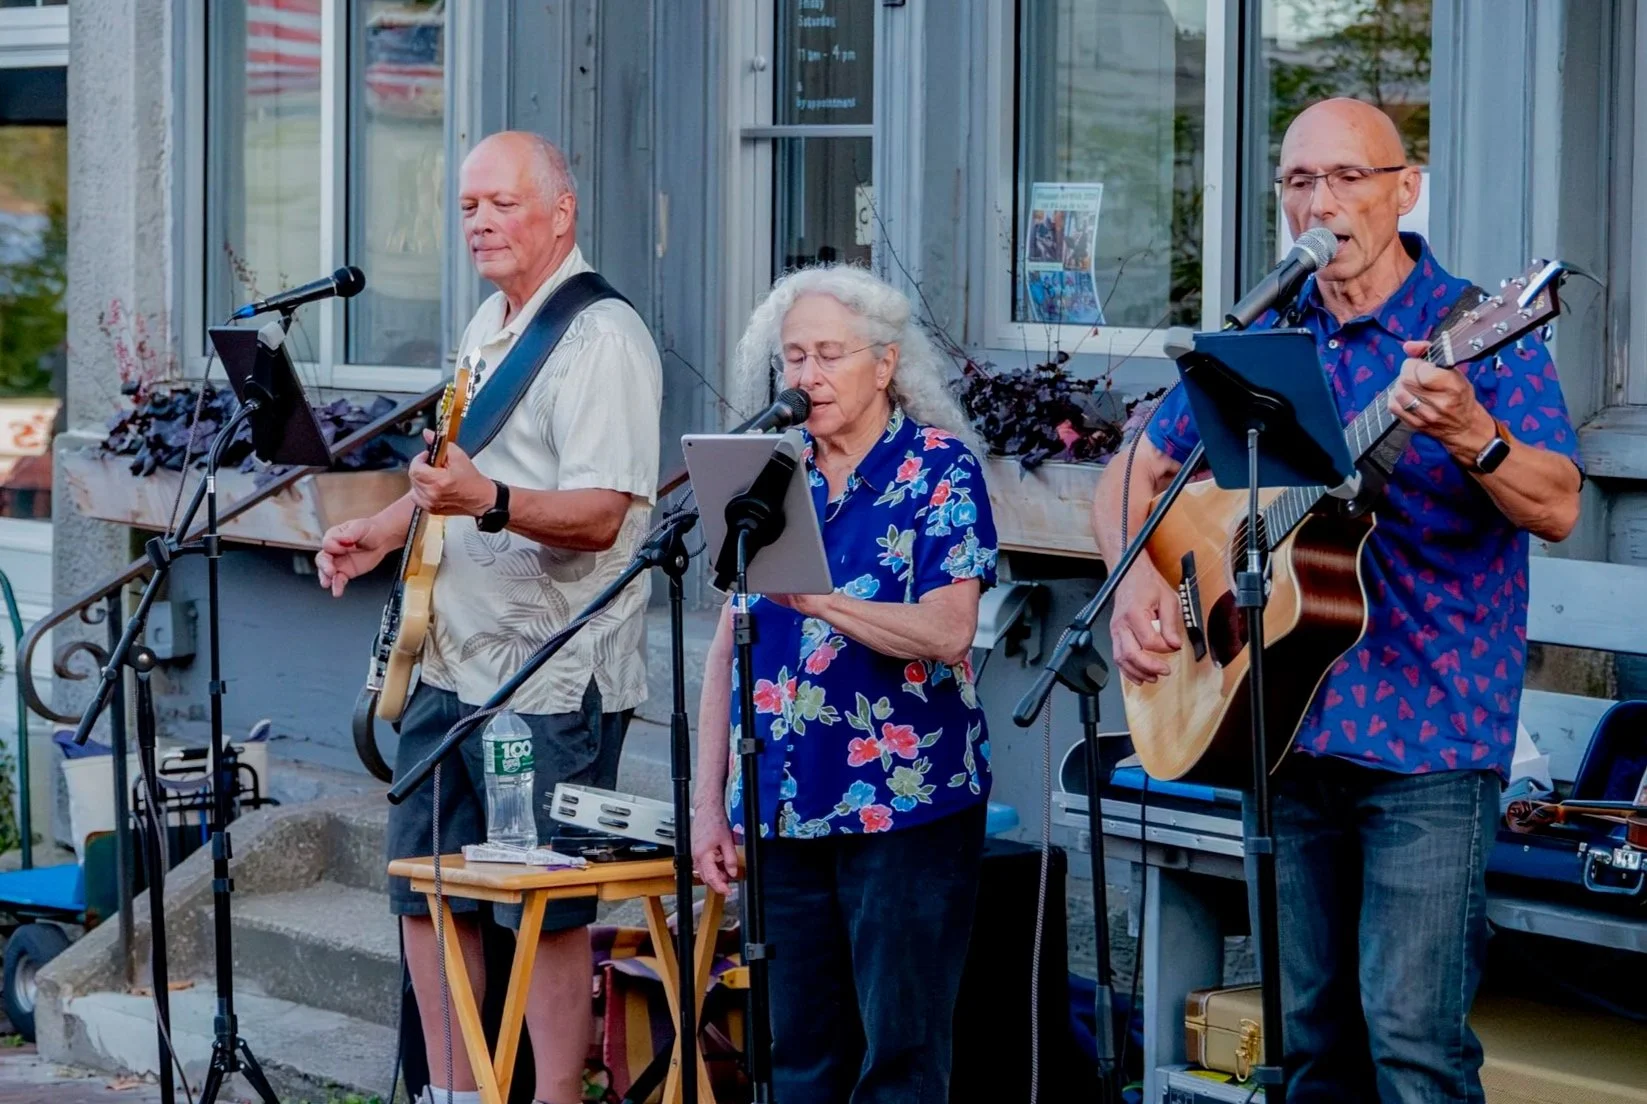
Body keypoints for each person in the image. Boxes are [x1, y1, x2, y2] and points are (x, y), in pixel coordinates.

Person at [1090, 98, 1583, 1102]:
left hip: (1431, 742)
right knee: (1310, 1040)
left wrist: (1470, 434)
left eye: (1347, 178)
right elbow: (1129, 474)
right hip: (1284, 732)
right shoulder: (1270, 338)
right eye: (1300, 182)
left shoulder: (1478, 330)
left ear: (1405, 190)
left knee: (1412, 1042)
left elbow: (1561, 505)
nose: (1322, 201)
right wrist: (1135, 581)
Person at [315, 131, 662, 1104]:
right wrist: (381, 530)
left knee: (545, 908)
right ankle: (456, 1094)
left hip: (547, 680)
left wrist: (495, 503)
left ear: (561, 213)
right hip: (446, 662)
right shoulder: (488, 325)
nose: (479, 221)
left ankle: (553, 1096)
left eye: (502, 203)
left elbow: (602, 515)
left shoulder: (603, 340)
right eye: (467, 206)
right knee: (422, 889)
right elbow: (447, 475)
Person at [691, 264, 998, 1104]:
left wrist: (819, 601)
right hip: (783, 807)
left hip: (904, 808)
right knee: (794, 1056)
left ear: (885, 362)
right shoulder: (768, 477)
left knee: (898, 1060)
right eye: (793, 357)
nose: (807, 376)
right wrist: (709, 807)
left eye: (828, 353)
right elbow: (730, 643)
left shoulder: (940, 470)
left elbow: (947, 630)